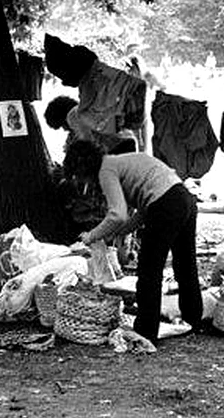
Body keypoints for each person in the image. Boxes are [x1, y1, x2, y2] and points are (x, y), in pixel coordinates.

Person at [63, 140, 204, 343]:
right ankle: (194, 320)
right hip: (184, 200)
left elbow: (117, 214)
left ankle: (146, 332)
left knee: (149, 272)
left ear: (83, 167)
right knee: (185, 266)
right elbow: (144, 209)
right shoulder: (121, 162)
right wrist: (120, 232)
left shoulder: (106, 169)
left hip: (166, 205)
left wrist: (92, 235)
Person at [44, 95, 137, 155]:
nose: (64, 129)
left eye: (62, 126)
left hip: (119, 147)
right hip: (127, 140)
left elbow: (87, 145)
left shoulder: (74, 116)